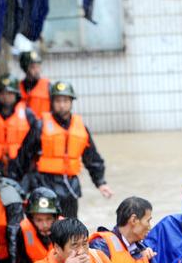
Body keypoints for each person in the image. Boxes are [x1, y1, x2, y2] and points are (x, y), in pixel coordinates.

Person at [13, 81, 112, 218]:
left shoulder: (81, 128)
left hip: (70, 186)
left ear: (71, 102)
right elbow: (24, 156)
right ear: (52, 102)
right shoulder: (40, 125)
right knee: (45, 226)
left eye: (65, 100)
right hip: (44, 183)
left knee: (69, 229)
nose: (62, 105)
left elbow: (92, 158)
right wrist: (15, 182)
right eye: (58, 100)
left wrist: (101, 182)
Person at [0, 74, 38, 178]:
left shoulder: (28, 114)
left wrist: (24, 163)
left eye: (10, 93)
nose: (6, 97)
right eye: (3, 93)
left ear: (16, 94)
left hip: (22, 169)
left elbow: (34, 142)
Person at [15, 187, 60, 263]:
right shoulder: (23, 232)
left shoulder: (65, 230)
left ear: (55, 217)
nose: (44, 225)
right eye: (39, 220)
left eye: (49, 219)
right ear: (31, 219)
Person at [18, 51, 51, 117]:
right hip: (22, 126)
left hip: (42, 125)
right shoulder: (18, 88)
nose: (37, 70)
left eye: (38, 67)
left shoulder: (48, 86)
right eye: (33, 67)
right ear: (25, 68)